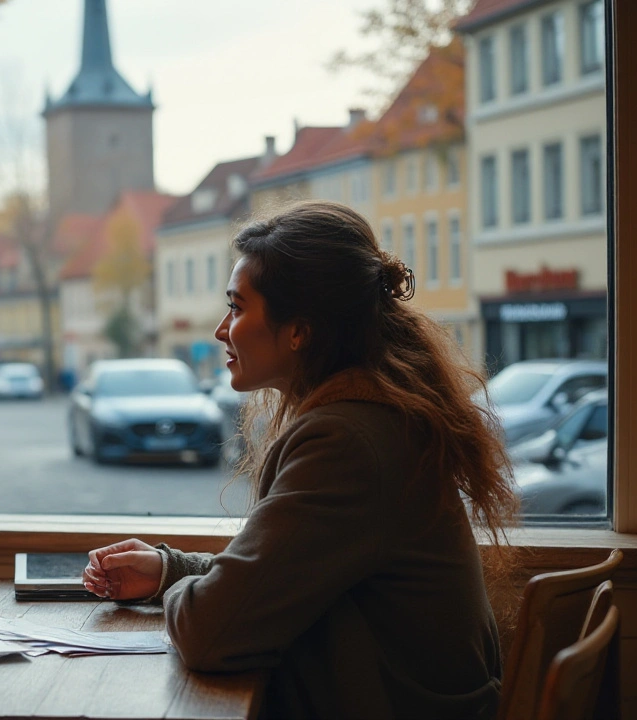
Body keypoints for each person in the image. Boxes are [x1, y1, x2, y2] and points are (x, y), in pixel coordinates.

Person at [84, 201, 517, 720]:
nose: (223, 330)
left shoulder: (346, 443)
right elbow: (282, 582)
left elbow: (211, 631)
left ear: (300, 331)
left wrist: (184, 590)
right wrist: (168, 572)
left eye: (238, 307)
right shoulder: (373, 420)